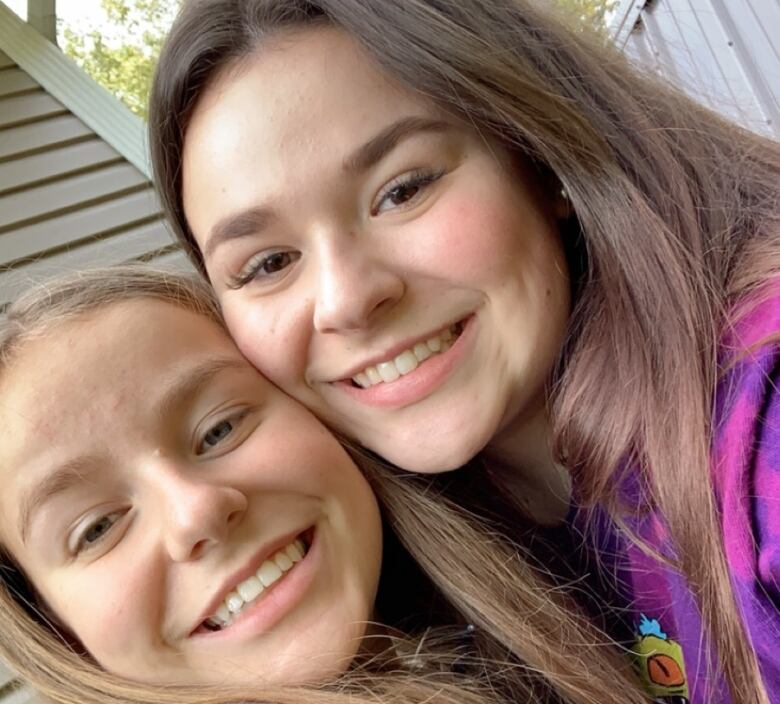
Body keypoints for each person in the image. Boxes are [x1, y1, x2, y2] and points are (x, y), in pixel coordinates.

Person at [148, 1, 780, 703]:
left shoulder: (760, 421)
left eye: (402, 190)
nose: (346, 300)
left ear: (538, 153)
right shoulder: (385, 571)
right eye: (267, 263)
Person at [0, 266, 647, 704]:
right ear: (52, 626)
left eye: (219, 430)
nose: (196, 511)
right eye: (95, 529)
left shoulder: (571, 570)